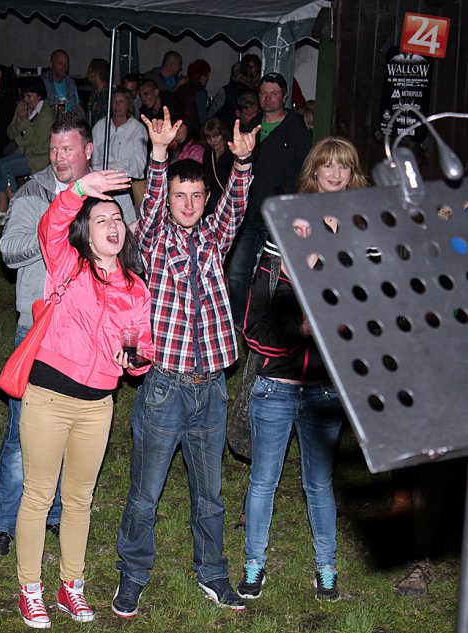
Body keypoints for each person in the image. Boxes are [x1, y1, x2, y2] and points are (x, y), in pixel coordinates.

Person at [113, 108, 258, 616]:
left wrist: (242, 165)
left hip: (211, 387)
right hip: (165, 388)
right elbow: (150, 209)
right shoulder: (154, 241)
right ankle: (133, 574)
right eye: (181, 196)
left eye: (196, 196)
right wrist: (158, 156)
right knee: (145, 493)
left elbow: (235, 208)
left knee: (210, 495)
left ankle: (213, 573)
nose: (189, 204)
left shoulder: (214, 239)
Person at [0, 114, 137, 559]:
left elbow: (128, 248)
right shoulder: (34, 191)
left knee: (76, 433)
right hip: (38, 326)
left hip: (92, 337)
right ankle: (3, 522)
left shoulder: (110, 192)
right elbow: (8, 251)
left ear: (88, 150)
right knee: (21, 435)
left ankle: (55, 515)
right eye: (53, 149)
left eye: (67, 149)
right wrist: (61, 235)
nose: (58, 157)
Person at [15, 168, 152, 629]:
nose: (112, 226)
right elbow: (50, 225)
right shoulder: (67, 265)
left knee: (79, 499)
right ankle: (30, 589)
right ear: (86, 233)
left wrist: (135, 360)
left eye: (117, 219)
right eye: (101, 220)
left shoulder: (135, 288)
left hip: (98, 406)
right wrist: (78, 190)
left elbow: (144, 347)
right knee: (38, 495)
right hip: (49, 398)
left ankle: (70, 585)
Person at [235, 136, 368, 604]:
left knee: (319, 482)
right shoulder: (286, 228)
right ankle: (254, 564)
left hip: (325, 390)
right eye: (327, 165)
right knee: (263, 481)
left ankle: (326, 568)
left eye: (344, 167)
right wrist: (297, 335)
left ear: (352, 174)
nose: (335, 174)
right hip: (277, 384)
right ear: (314, 171)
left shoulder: (360, 232)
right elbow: (254, 319)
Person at [225, 73, 311, 327]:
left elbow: (305, 170)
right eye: (263, 93)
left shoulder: (296, 127)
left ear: (284, 96)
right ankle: (239, 323)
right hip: (248, 213)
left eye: (274, 93)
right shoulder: (251, 127)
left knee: (276, 274)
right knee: (238, 272)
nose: (268, 98)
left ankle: (270, 325)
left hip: (278, 215)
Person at [0, 82, 55, 222]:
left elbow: (38, 143)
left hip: (39, 157)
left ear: (39, 96)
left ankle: (16, 213)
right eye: (25, 96)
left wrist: (24, 122)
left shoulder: (46, 115)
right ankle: (2, 209)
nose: (26, 100)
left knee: (6, 168)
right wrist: (19, 119)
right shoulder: (23, 108)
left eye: (30, 96)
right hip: (24, 152)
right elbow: (10, 133)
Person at [90, 88, 148, 210]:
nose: (117, 105)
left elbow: (138, 167)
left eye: (121, 101)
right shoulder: (100, 127)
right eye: (114, 101)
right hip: (100, 185)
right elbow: (92, 159)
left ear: (128, 104)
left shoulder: (137, 129)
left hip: (125, 189)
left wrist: (117, 179)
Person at [202, 118, 233, 217]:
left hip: (231, 197)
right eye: (209, 138)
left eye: (216, 136)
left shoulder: (232, 152)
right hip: (214, 197)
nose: (213, 141)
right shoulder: (208, 153)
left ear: (223, 135)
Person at [40, 50, 84, 118]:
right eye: (60, 63)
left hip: (69, 120)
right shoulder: (43, 82)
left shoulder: (70, 83)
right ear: (51, 65)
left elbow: (76, 106)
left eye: (66, 63)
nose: (64, 66)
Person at [174, 58, 210, 134]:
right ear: (202, 76)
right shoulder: (200, 92)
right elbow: (203, 119)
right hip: (193, 131)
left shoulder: (180, 88)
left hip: (178, 127)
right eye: (207, 76)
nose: (207, 79)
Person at [85, 58, 110, 126]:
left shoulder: (109, 96)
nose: (87, 74)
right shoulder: (94, 95)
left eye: (89, 71)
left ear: (94, 74)